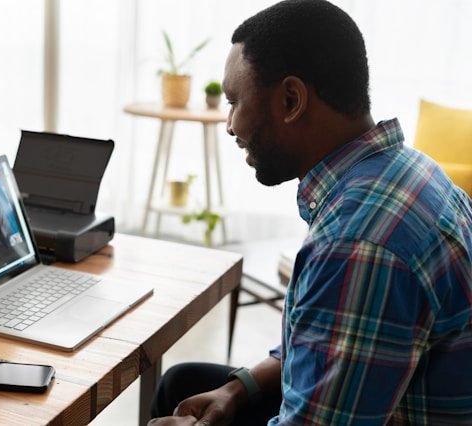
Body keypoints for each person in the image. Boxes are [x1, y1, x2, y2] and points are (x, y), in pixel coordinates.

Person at [148, 1, 472, 425]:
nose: (230, 124)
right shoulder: (408, 171)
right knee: (184, 383)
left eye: (234, 101)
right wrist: (238, 388)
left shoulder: (357, 243)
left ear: (290, 100)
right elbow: (330, 341)